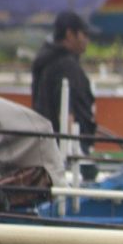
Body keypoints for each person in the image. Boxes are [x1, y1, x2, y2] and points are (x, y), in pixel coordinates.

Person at [31, 10, 99, 182]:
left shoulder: (45, 61)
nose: (87, 40)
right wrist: (78, 156)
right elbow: (66, 114)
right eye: (84, 34)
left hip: (46, 147)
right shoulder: (66, 66)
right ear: (70, 34)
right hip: (64, 151)